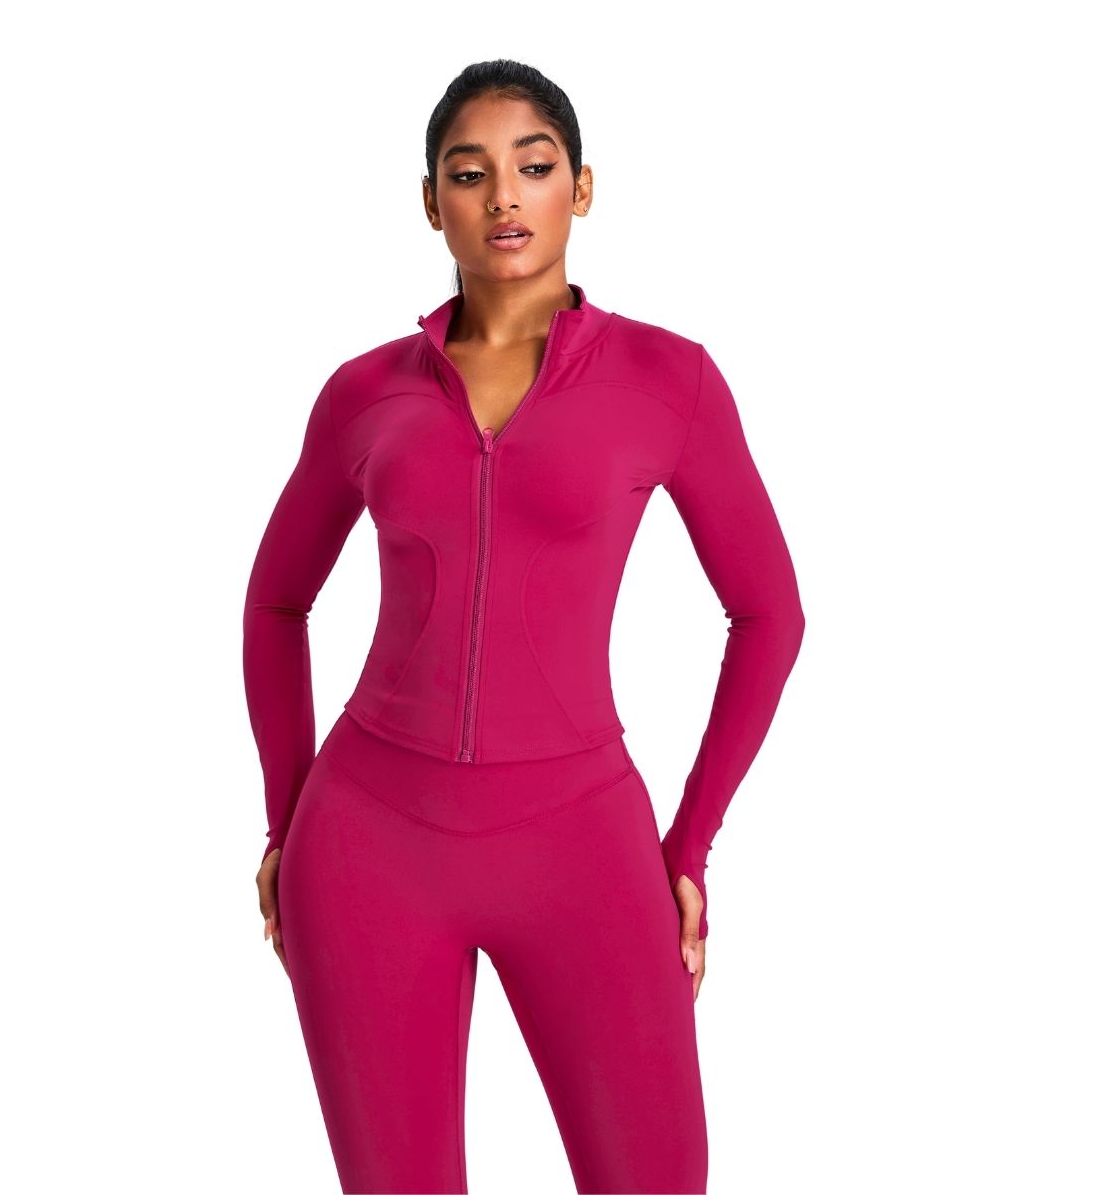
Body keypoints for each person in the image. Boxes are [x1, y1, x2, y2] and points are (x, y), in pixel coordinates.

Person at [242, 59, 804, 1195]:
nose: (503, 195)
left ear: (581, 188)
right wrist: (287, 817)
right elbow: (275, 602)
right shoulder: (365, 392)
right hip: (368, 847)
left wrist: (690, 845)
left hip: (581, 842)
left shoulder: (669, 379)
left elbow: (768, 614)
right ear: (430, 202)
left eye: (533, 167)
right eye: (469, 173)